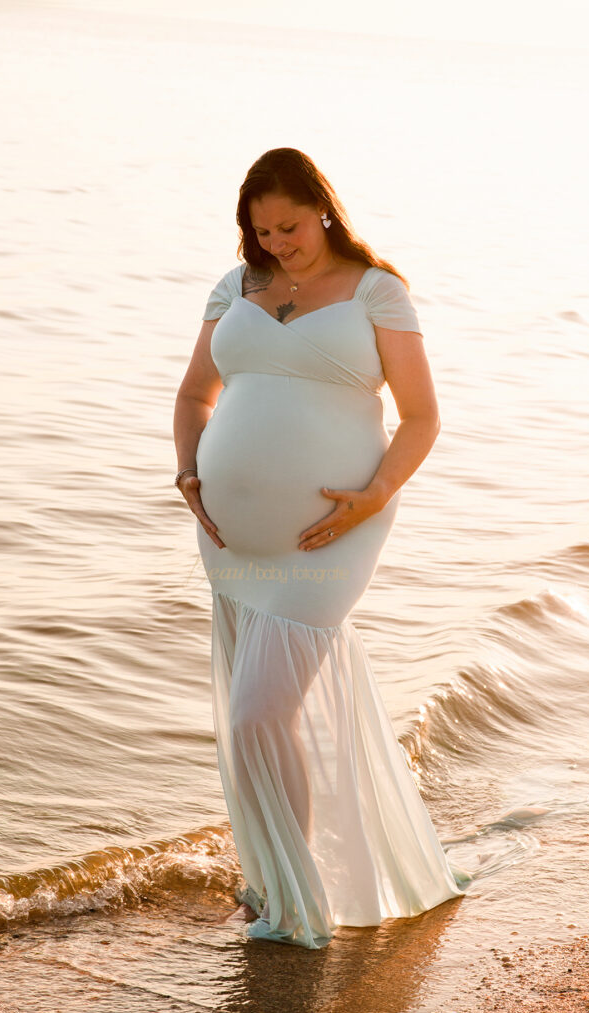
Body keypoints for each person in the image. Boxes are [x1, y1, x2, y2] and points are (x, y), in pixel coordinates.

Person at [173, 147, 473, 949]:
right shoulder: (235, 288)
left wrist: (375, 493)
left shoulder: (378, 291)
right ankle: (272, 882)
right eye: (261, 230)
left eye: (290, 226)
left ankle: (291, 893)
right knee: (258, 718)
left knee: (256, 716)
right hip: (232, 541)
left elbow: (419, 417)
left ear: (325, 209)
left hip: (332, 534)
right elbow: (195, 393)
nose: (276, 243)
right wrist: (187, 470)